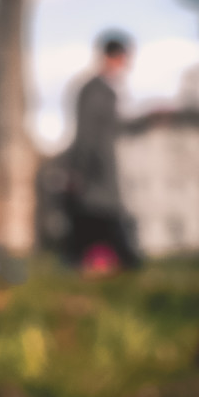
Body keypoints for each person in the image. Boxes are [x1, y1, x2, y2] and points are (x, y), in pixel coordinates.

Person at [64, 30, 142, 275]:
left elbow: (114, 128)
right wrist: (78, 171)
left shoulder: (105, 91)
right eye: (125, 58)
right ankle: (118, 264)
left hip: (99, 175)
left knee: (90, 231)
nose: (127, 64)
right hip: (95, 175)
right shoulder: (95, 91)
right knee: (102, 228)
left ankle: (83, 265)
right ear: (112, 57)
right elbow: (86, 135)